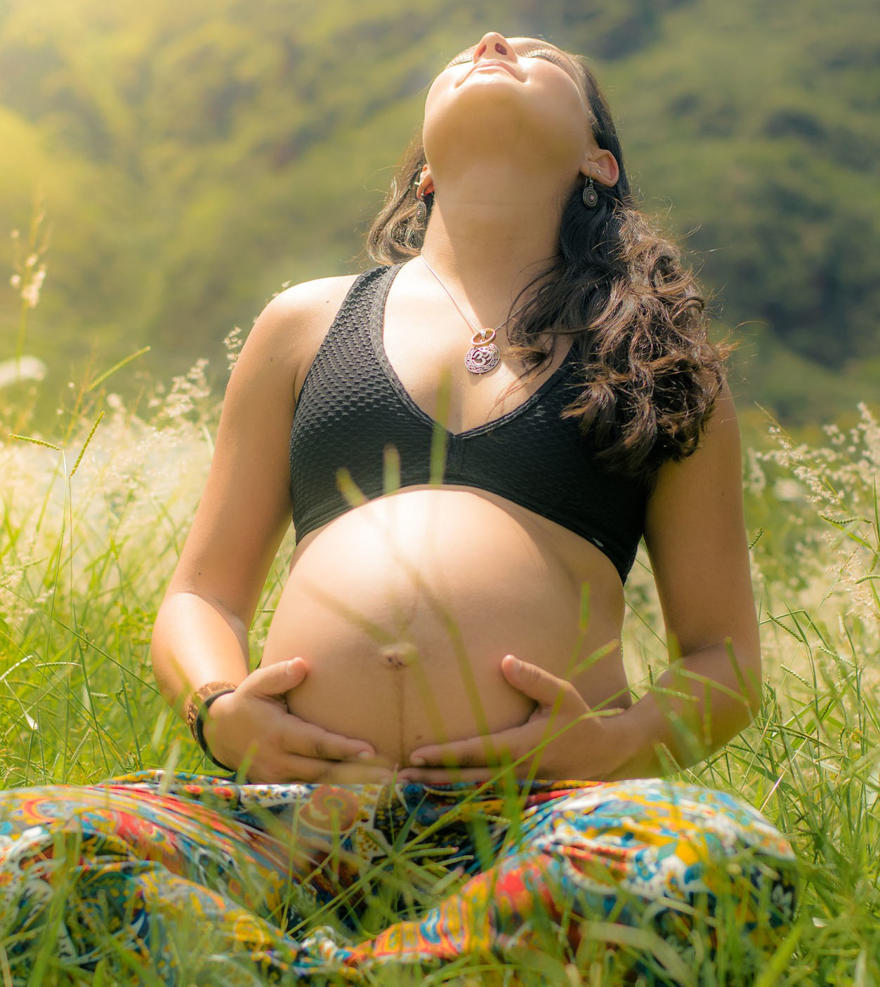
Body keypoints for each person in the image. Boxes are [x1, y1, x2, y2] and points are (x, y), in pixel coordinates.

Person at [0, 31, 796, 984]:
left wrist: (619, 742)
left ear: (599, 159)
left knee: (715, 857)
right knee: (19, 848)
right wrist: (221, 713)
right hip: (289, 814)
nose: (496, 40)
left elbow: (724, 657)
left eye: (540, 54)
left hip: (539, 815)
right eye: (474, 48)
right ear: (422, 170)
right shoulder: (307, 322)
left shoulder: (659, 360)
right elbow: (201, 594)